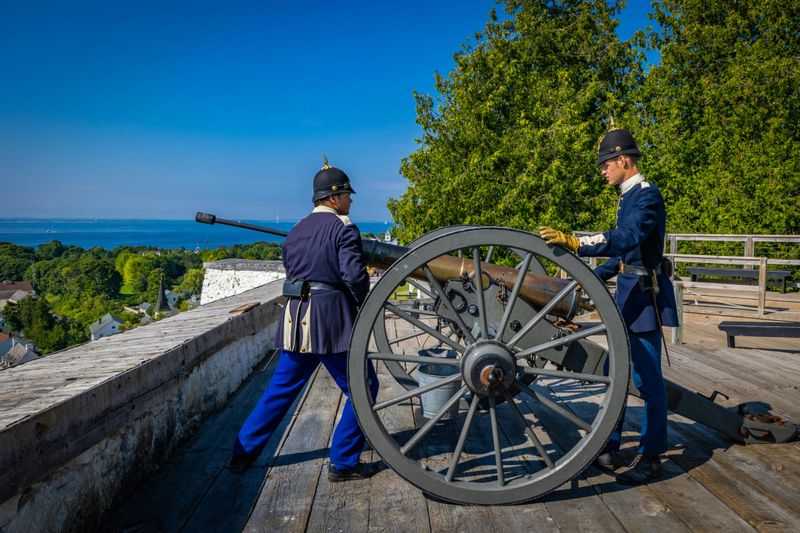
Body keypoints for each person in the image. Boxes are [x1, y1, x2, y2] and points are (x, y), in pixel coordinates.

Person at [539, 128, 679, 485]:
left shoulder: (647, 197)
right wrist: (588, 278)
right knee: (618, 374)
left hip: (644, 297)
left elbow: (629, 238)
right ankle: (609, 446)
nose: (602, 171)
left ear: (623, 161)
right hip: (627, 294)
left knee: (648, 382)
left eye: (605, 164)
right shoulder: (627, 196)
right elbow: (622, 256)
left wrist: (577, 243)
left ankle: (651, 456)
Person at [229, 158, 380, 482]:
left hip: (295, 321)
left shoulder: (295, 231)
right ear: (334, 198)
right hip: (330, 323)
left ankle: (242, 454)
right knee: (364, 386)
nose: (350, 200)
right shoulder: (344, 228)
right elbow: (354, 277)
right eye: (347, 195)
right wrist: (359, 305)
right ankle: (343, 461)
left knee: (279, 391)